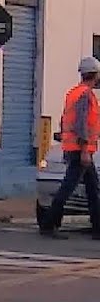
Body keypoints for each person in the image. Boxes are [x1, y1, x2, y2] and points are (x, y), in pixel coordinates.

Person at [40, 56, 100, 240]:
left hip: (76, 148)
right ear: (95, 74)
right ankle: (49, 224)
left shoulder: (73, 93)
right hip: (80, 150)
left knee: (93, 189)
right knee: (67, 188)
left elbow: (65, 120)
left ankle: (97, 228)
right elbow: (81, 124)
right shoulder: (85, 95)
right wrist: (84, 150)